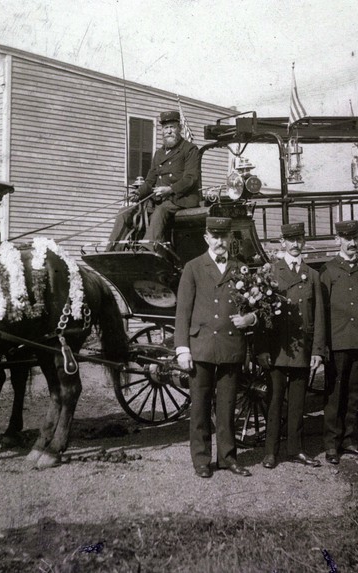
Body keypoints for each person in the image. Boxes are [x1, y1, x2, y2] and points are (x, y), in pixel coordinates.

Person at [175, 216, 256, 478]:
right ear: (206, 238)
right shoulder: (194, 267)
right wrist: (182, 349)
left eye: (224, 236)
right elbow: (183, 312)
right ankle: (201, 460)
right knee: (199, 406)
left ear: (229, 238)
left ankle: (227, 457)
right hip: (202, 347)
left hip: (230, 346)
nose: (220, 241)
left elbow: (253, 306)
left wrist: (250, 318)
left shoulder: (239, 268)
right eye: (215, 236)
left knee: (227, 406)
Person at [256, 222, 325, 469]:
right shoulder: (270, 273)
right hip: (278, 350)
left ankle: (296, 449)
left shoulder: (312, 275)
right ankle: (270, 452)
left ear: (303, 242)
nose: (295, 245)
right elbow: (261, 317)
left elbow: (318, 317)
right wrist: (262, 349)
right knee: (274, 401)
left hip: (302, 350)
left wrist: (317, 350)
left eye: (299, 239)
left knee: (298, 402)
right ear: (282, 243)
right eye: (290, 240)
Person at [320, 220, 358, 465]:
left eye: (354, 238)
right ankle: (331, 446)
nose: (351, 243)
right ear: (338, 240)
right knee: (335, 395)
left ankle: (347, 440)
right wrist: (323, 346)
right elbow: (322, 313)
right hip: (338, 342)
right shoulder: (329, 270)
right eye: (346, 238)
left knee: (353, 393)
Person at [108, 110, 199, 249]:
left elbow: (191, 178)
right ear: (162, 131)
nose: (169, 131)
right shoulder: (159, 153)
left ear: (179, 128)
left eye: (172, 127)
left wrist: (170, 189)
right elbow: (150, 180)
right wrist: (138, 194)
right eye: (166, 128)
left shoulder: (190, 149)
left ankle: (148, 249)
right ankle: (112, 251)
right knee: (125, 211)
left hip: (181, 199)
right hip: (159, 200)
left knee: (161, 211)